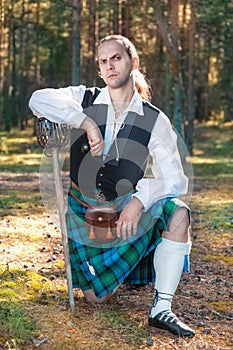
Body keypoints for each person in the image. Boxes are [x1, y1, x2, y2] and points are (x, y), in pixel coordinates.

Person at [29, 34, 195, 338]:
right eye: (103, 61)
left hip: (125, 209)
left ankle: (161, 309)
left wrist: (140, 201)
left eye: (116, 58)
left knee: (179, 214)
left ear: (133, 62)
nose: (109, 66)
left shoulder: (154, 119)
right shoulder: (85, 99)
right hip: (84, 209)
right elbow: (37, 99)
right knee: (96, 299)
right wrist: (86, 123)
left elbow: (175, 178)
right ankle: (131, 263)